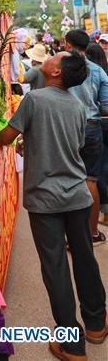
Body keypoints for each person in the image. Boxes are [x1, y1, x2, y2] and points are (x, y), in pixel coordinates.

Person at [0, 51, 108, 358]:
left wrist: (2, 134)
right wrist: (32, 141)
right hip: (76, 195)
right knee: (85, 258)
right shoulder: (77, 105)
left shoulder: (35, 100)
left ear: (56, 72)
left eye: (54, 57)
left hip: (45, 200)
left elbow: (6, 137)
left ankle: (72, 344)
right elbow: (72, 145)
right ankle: (97, 324)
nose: (48, 57)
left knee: (55, 266)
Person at [65, 29, 108, 244]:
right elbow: (107, 106)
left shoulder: (60, 66)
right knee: (90, 179)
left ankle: (71, 235)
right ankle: (92, 234)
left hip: (66, 126)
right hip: (92, 127)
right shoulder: (99, 71)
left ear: (68, 44)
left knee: (67, 177)